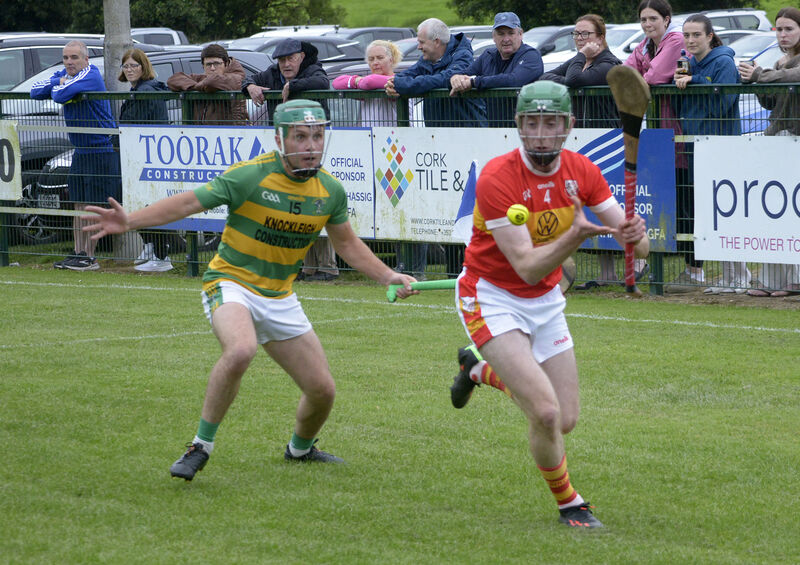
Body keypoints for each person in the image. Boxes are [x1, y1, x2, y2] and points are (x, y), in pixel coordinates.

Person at [82, 100, 417, 480]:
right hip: (231, 282)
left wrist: (388, 275)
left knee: (322, 390)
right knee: (241, 349)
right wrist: (130, 221)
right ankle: (200, 446)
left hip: (280, 296)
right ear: (279, 139)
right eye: (301, 136)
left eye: (317, 136)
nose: (311, 145)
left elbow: (347, 244)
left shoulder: (330, 190)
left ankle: (300, 450)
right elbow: (189, 202)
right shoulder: (250, 176)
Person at [449, 81, 649, 529]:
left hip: (544, 300)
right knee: (544, 411)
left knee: (565, 419)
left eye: (551, 123)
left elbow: (639, 245)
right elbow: (526, 267)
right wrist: (575, 236)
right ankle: (570, 505)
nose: (541, 134)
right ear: (519, 125)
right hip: (491, 295)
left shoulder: (582, 171)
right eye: (533, 123)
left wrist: (636, 234)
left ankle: (476, 370)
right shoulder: (498, 177)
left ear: (568, 125)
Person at [541, 14, 623, 290]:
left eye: (586, 34)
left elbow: (574, 79)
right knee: (587, 207)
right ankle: (606, 273)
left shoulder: (608, 64)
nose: (579, 39)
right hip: (585, 141)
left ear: (601, 37)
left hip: (608, 143)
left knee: (608, 207)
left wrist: (580, 59)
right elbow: (546, 77)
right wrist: (577, 64)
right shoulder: (582, 61)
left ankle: (633, 267)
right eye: (576, 34)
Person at [669, 14, 746, 294]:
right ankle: (729, 277)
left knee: (727, 212)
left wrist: (695, 81)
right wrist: (683, 82)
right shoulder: (688, 63)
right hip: (695, 147)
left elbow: (722, 104)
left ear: (710, 36)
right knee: (709, 214)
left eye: (696, 35)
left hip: (721, 147)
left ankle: (740, 277)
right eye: (687, 35)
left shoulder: (724, 62)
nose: (690, 40)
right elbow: (682, 107)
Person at [30, 40, 121, 271]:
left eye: (74, 57)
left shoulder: (91, 74)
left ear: (86, 59)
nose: (69, 62)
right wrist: (60, 82)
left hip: (100, 151)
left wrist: (61, 85)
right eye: (66, 58)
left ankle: (90, 257)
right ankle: (78, 253)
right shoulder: (65, 75)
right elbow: (35, 90)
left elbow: (60, 95)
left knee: (93, 206)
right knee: (78, 204)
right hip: (80, 151)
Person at [739, 6, 800, 297]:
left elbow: (793, 77)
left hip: (795, 142)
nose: (783, 34)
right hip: (776, 140)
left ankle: (797, 279)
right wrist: (752, 80)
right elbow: (770, 102)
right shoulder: (778, 63)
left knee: (794, 212)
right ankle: (771, 279)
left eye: (790, 29)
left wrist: (760, 74)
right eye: (779, 29)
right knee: (774, 211)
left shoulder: (786, 67)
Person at [624, 0, 683, 282]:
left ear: (667, 19)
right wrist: (640, 79)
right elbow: (626, 74)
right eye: (643, 19)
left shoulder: (676, 40)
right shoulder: (645, 46)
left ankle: (693, 267)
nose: (647, 24)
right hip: (656, 130)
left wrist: (641, 78)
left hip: (679, 128)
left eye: (653, 19)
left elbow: (656, 76)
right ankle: (647, 260)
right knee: (655, 193)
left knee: (683, 196)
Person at [118, 48, 174, 273]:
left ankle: (162, 256)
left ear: (144, 67)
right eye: (126, 66)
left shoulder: (146, 91)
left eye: (134, 65)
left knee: (151, 204)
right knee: (138, 203)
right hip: (138, 158)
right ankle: (150, 246)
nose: (129, 70)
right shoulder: (138, 90)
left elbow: (135, 123)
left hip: (147, 158)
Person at [386, 18, 487, 128]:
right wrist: (394, 84)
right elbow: (402, 76)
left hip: (468, 131)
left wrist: (401, 84)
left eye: (422, 42)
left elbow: (445, 79)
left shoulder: (463, 57)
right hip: (436, 132)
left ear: (437, 42)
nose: (419, 47)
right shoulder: (427, 59)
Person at [448, 11, 543, 126]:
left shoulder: (531, 55)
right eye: (501, 34)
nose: (506, 39)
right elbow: (465, 74)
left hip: (526, 130)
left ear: (520, 34)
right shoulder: (488, 55)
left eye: (511, 33)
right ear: (494, 37)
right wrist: (455, 78)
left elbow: (513, 80)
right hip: (494, 130)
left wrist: (474, 82)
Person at [242, 38, 330, 124]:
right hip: (279, 129)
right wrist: (250, 86)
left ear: (302, 56)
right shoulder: (272, 72)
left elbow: (323, 82)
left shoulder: (312, 69)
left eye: (291, 58)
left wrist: (292, 85)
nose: (286, 64)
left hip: (311, 129)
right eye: (282, 60)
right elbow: (246, 79)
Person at [167, 43, 248, 125]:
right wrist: (198, 86)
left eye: (216, 64)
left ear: (226, 64)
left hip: (228, 131)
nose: (212, 68)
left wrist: (197, 86)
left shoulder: (236, 77)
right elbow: (173, 80)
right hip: (201, 131)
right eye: (208, 64)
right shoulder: (202, 79)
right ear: (203, 66)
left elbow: (212, 82)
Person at [332, 39, 403, 126]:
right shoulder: (365, 84)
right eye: (371, 59)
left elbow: (369, 82)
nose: (375, 63)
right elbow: (336, 82)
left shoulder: (400, 80)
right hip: (370, 133)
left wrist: (360, 82)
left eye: (380, 58)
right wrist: (358, 81)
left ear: (391, 60)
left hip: (397, 133)